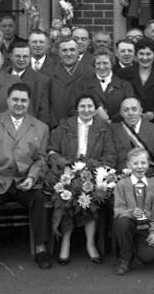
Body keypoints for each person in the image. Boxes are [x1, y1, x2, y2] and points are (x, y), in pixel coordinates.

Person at [0, 82, 52, 270]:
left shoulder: (40, 127)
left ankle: (40, 249)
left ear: (29, 102)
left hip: (24, 182)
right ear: (7, 100)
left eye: (23, 100)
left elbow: (41, 159)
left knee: (40, 198)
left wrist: (32, 177)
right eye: (15, 99)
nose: (19, 104)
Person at [47, 94, 116, 265]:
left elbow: (110, 157)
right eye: (83, 106)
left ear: (96, 109)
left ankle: (90, 243)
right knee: (68, 193)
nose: (87, 110)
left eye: (90, 106)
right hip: (67, 171)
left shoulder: (104, 128)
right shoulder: (65, 126)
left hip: (93, 172)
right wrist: (66, 165)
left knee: (90, 192)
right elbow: (51, 151)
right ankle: (66, 241)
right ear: (77, 108)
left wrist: (90, 167)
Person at [112, 148, 154, 275]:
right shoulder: (122, 184)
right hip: (129, 223)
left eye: (143, 163)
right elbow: (118, 210)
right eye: (135, 164)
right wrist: (131, 212)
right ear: (128, 165)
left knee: (149, 256)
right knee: (122, 223)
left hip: (145, 226)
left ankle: (137, 253)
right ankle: (125, 258)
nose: (139, 167)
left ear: (148, 164)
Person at [111, 96, 154, 180]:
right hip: (122, 180)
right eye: (126, 110)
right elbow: (110, 160)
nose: (130, 113)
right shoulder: (113, 130)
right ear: (121, 113)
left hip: (149, 178)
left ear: (141, 110)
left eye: (134, 109)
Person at [119, 38, 154, 128]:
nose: (144, 58)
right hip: (129, 124)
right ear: (136, 55)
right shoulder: (123, 74)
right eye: (141, 54)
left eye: (148, 54)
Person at [47, 36, 91, 124]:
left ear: (78, 52)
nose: (69, 54)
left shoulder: (90, 72)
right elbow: (46, 104)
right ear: (59, 53)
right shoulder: (49, 74)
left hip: (83, 125)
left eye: (72, 50)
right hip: (56, 126)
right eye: (64, 50)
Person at [83, 48, 134, 122]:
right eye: (98, 63)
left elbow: (130, 107)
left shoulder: (125, 85)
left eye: (105, 63)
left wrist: (112, 121)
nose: (101, 67)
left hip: (119, 127)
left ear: (112, 64)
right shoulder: (84, 85)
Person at [7, 44, 52, 126]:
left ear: (30, 57)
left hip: (29, 129)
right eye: (17, 56)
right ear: (11, 56)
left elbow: (43, 113)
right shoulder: (1, 74)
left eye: (25, 56)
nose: (21, 59)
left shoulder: (41, 80)